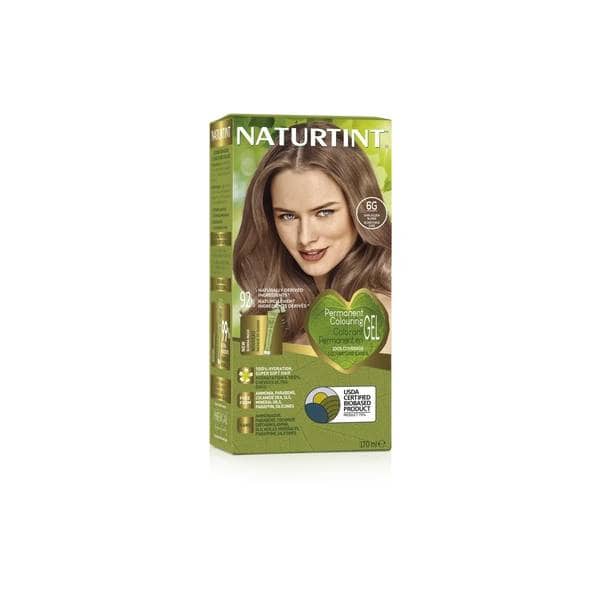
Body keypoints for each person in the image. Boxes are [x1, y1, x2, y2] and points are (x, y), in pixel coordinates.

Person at [233, 122, 391, 352]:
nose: (305, 238)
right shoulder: (287, 317)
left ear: (357, 208)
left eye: (324, 212)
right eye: (288, 216)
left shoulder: (378, 316)